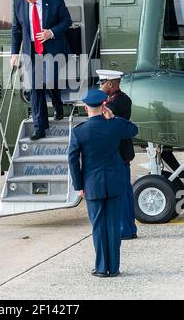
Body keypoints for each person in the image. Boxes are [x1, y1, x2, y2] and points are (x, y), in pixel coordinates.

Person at [68, 89, 138, 277]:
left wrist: (79, 186)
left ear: (85, 108)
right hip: (115, 182)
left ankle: (101, 268)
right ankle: (114, 268)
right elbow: (133, 129)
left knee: (98, 226)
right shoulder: (114, 125)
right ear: (104, 105)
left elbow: (73, 159)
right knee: (114, 226)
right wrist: (114, 117)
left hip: (92, 185)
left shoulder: (80, 132)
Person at [11, 0, 72, 140]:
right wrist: (14, 53)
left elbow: (67, 21)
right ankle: (40, 127)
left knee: (50, 80)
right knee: (36, 87)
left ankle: (58, 106)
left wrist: (50, 32)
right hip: (31, 50)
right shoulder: (19, 4)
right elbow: (16, 30)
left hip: (51, 47)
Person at [97, 69, 138, 240]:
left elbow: (102, 117)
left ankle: (125, 229)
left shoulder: (118, 102)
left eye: (102, 83)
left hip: (118, 155)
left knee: (121, 193)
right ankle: (128, 228)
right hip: (119, 154)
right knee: (124, 192)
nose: (100, 86)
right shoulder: (113, 100)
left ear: (111, 84)